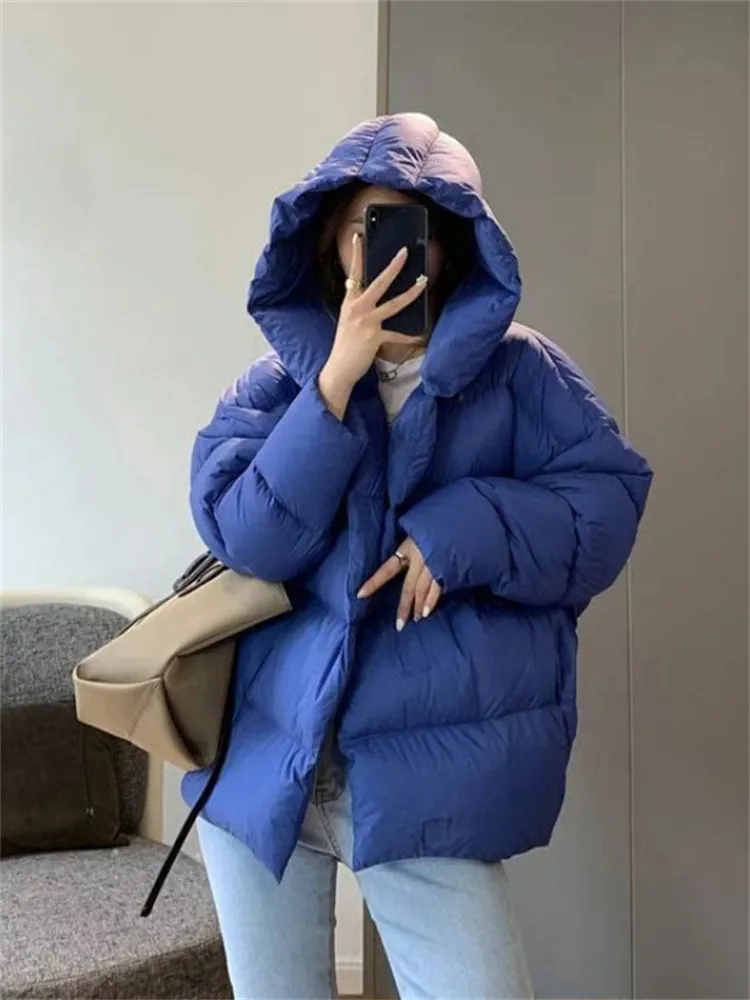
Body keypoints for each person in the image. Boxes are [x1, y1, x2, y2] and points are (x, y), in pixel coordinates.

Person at [184, 113, 652, 1000]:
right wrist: (333, 384)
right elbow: (246, 537)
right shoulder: (277, 383)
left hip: (423, 777)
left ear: (456, 247)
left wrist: (459, 527)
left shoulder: (523, 374)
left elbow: (606, 507)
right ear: (332, 241)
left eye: (418, 229)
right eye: (370, 225)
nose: (395, 250)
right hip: (264, 766)